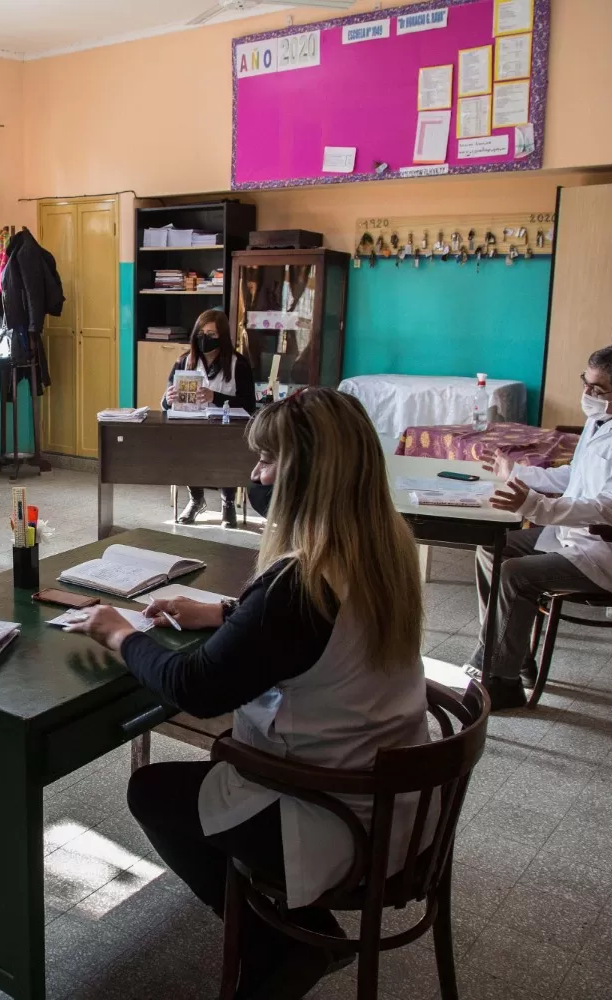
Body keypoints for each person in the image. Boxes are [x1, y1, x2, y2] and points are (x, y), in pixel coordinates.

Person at [66, 388, 430, 999]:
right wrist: (230, 611)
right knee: (219, 766)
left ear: (305, 475)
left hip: (336, 811)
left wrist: (119, 632)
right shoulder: (383, 542)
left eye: (266, 462)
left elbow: (197, 689)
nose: (254, 474)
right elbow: (323, 632)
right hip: (396, 802)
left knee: (153, 791)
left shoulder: (300, 580)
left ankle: (285, 944)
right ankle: (292, 929)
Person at [470, 342, 612, 711]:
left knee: (515, 573)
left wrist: (536, 505)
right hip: (578, 537)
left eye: (596, 389)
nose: (586, 394)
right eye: (585, 381)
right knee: (492, 545)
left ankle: (499, 681)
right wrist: (518, 473)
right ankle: (511, 655)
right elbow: (576, 476)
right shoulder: (605, 419)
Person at [163, 309, 256, 527]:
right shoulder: (184, 362)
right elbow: (165, 404)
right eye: (201, 333)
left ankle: (228, 503)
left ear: (222, 336)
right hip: (192, 426)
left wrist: (216, 396)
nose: (205, 338)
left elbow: (249, 404)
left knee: (225, 449)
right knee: (183, 448)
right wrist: (168, 398)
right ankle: (196, 500)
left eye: (212, 334)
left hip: (226, 429)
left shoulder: (238, 364)